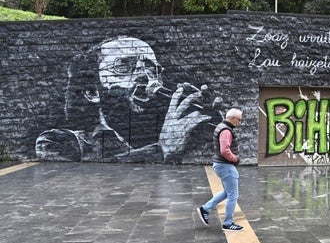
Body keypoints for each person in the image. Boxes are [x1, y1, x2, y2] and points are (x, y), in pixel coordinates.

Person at [35, 36, 221, 163]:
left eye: (150, 69)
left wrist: (208, 134)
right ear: (92, 91)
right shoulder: (57, 142)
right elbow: (77, 179)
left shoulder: (170, 136)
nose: (145, 77)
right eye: (123, 67)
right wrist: (163, 150)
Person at [197, 108, 244, 231]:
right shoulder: (226, 130)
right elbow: (224, 150)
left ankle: (205, 209)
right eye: (239, 120)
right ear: (232, 118)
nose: (239, 122)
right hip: (225, 166)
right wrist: (235, 159)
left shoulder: (221, 126)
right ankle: (228, 223)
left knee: (227, 192)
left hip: (221, 165)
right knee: (233, 194)